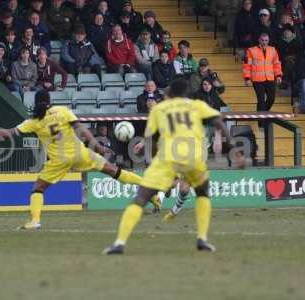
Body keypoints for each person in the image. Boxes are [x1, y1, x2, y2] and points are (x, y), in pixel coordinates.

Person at [0, 90, 157, 230]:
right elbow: (81, 129)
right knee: (114, 171)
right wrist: (97, 145)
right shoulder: (62, 110)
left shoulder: (33, 121)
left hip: (58, 160)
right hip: (80, 153)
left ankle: (35, 220)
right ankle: (152, 191)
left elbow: (7, 134)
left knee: (38, 189)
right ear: (50, 101)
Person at [103, 78, 245, 255]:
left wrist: (149, 159)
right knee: (202, 193)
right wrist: (235, 151)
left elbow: (149, 139)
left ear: (171, 93)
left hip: (167, 156)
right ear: (186, 93)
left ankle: (120, 243)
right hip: (193, 156)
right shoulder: (197, 105)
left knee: (140, 198)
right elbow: (219, 122)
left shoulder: (159, 109)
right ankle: (202, 239)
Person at [243, 33, 282, 116]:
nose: (264, 42)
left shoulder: (273, 50)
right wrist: (247, 78)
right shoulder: (251, 50)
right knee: (261, 100)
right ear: (259, 40)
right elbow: (247, 66)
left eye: (266, 40)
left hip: (270, 78)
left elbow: (277, 64)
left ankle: (262, 114)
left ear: (268, 41)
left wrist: (278, 76)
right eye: (262, 40)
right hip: (257, 80)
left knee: (271, 99)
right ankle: (261, 121)